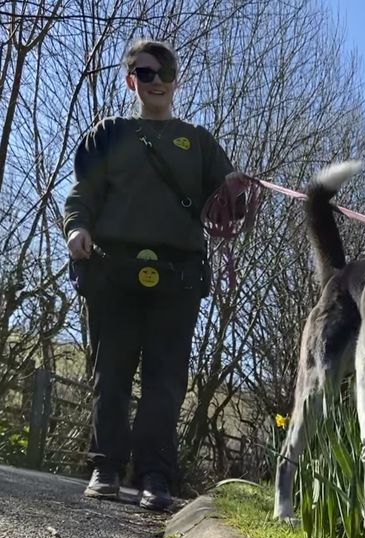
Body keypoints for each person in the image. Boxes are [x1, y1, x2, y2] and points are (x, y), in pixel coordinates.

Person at [63, 39, 248, 511]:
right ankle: (105, 466)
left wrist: (235, 189)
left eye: (165, 72)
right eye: (146, 73)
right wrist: (77, 228)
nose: (158, 80)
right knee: (113, 371)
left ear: (176, 79)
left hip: (179, 274)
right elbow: (82, 191)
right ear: (131, 80)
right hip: (113, 267)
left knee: (166, 380)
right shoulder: (109, 133)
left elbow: (227, 206)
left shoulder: (200, 142)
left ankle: (156, 476)